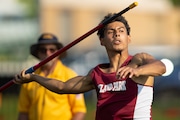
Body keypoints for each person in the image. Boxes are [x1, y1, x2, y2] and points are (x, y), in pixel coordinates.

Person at [14, 14, 166, 120]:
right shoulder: (97, 74)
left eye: (121, 31)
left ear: (129, 38)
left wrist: (137, 70)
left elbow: (160, 67)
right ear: (102, 40)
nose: (117, 35)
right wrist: (34, 77)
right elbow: (62, 87)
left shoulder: (139, 60)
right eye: (111, 32)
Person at [17, 33, 86, 120]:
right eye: (43, 50)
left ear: (58, 52)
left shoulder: (70, 75)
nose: (47, 53)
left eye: (52, 50)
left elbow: (79, 111)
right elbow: (23, 111)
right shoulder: (29, 78)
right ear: (38, 53)